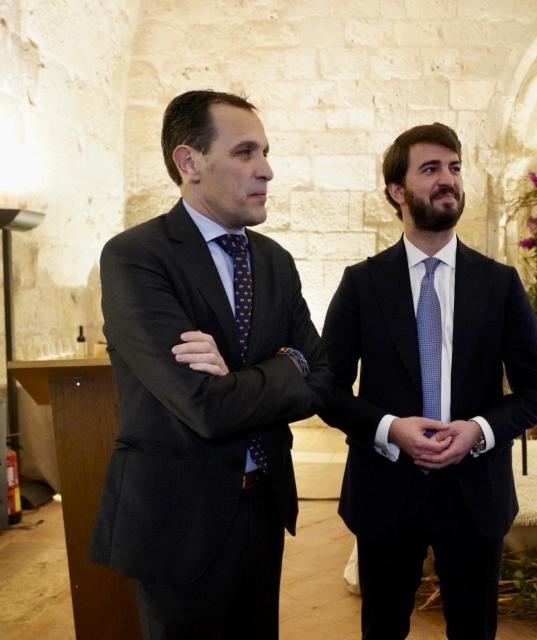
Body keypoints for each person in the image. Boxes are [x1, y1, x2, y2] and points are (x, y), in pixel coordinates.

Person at [89, 90, 331, 639]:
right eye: (245, 152)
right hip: (176, 516)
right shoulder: (135, 256)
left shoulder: (274, 260)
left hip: (263, 508)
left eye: (265, 152)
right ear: (189, 162)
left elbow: (322, 375)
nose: (266, 170)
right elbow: (203, 406)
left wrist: (265, 371)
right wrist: (285, 367)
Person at [320, 122, 537, 639]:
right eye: (430, 169)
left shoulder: (499, 284)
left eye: (453, 168)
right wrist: (387, 429)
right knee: (382, 629)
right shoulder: (362, 285)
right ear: (397, 191)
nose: (447, 180)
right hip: (385, 490)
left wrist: (479, 431)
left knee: (474, 631)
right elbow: (327, 389)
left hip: (474, 494)